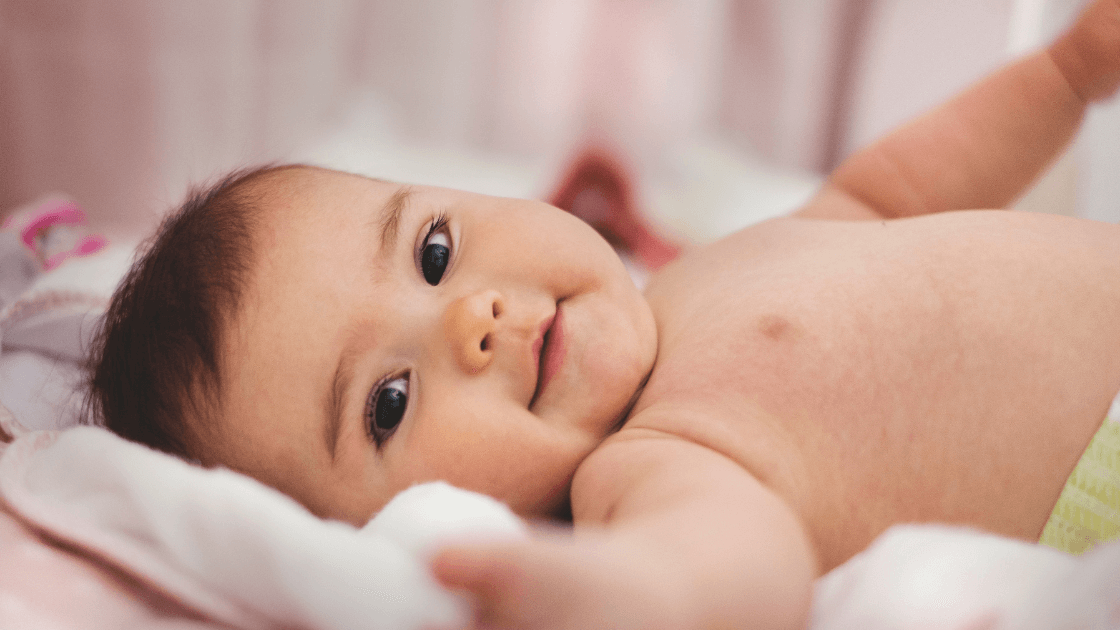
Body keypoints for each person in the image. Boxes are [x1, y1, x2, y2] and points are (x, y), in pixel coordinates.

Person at [87, 1, 1120, 628]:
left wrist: (1063, 78)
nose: (471, 325)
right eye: (389, 404)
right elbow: (737, 565)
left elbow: (889, 189)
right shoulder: (647, 465)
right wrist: (635, 597)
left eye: (433, 252)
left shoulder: (702, 272)